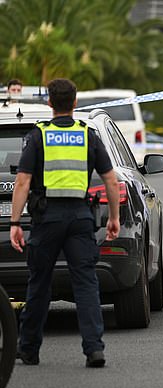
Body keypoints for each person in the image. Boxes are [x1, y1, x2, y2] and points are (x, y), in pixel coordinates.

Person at [10, 78, 120, 367]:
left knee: (39, 283)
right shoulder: (87, 134)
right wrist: (115, 218)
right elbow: (110, 179)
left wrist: (15, 223)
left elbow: (22, 182)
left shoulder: (38, 135)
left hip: (47, 219)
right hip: (80, 217)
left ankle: (29, 349)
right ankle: (94, 349)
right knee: (85, 284)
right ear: (74, 103)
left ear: (49, 103)